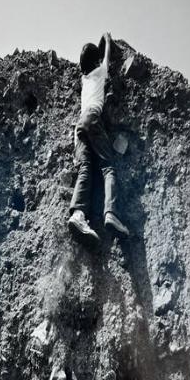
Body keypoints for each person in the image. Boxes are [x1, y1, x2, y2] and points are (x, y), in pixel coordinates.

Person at [68, 32, 129, 246]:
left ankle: (78, 216)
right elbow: (107, 57)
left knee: (85, 169)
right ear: (94, 61)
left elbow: (91, 59)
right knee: (108, 167)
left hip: (79, 126)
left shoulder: (84, 79)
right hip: (93, 118)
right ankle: (111, 213)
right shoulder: (100, 72)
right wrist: (107, 40)